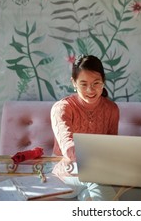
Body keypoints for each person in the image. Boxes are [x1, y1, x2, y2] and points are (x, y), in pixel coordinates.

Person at [51, 54, 119, 200]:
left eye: (96, 83)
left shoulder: (112, 109)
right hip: (65, 174)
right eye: (83, 84)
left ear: (103, 81)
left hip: (97, 173)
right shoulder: (62, 108)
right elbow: (69, 150)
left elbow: (112, 148)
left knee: (91, 195)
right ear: (74, 83)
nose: (90, 90)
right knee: (95, 174)